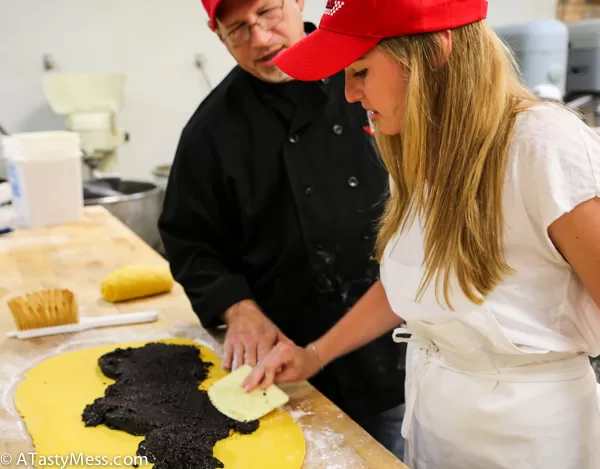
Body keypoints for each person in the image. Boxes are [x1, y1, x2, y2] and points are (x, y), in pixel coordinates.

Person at [242, 0, 600, 468]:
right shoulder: (418, 146)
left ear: (432, 54)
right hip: (435, 425)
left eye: (361, 71)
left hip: (530, 441)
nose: (348, 94)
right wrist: (313, 355)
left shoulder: (542, 145)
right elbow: (417, 287)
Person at [157, 0, 407, 459]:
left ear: (298, 3)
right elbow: (189, 240)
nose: (260, 39)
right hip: (288, 364)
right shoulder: (210, 131)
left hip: (396, 343)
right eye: (238, 29)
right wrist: (236, 308)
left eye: (268, 12)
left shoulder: (373, 74)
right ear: (218, 36)